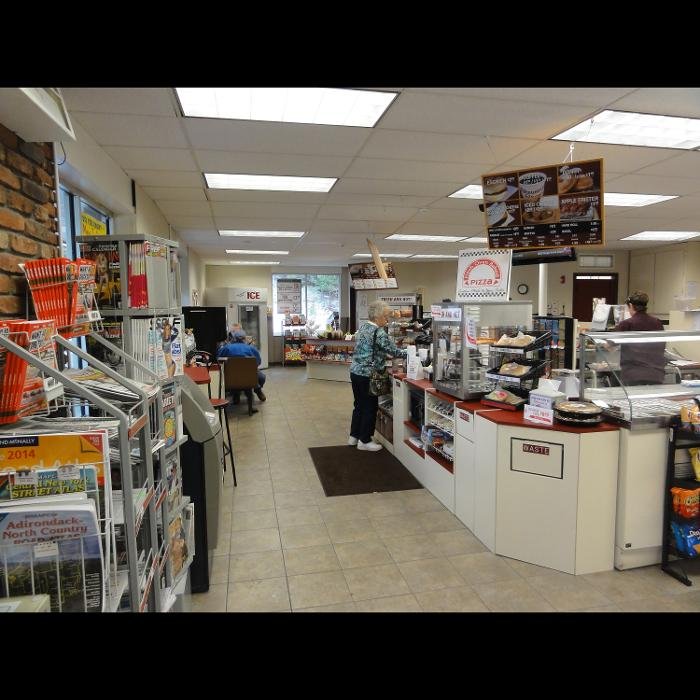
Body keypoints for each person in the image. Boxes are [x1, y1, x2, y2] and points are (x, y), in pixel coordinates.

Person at [349, 300, 408, 451]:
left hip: (355, 371)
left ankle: (354, 436)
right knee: (370, 407)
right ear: (377, 316)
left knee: (359, 405)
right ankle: (365, 440)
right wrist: (410, 353)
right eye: (385, 316)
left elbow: (369, 349)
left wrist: (381, 355)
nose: (387, 319)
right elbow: (394, 351)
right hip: (369, 375)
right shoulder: (379, 332)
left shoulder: (363, 327)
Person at [611, 291, 665, 385]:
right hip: (656, 374)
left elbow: (609, 345)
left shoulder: (626, 324)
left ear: (631, 306)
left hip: (633, 376)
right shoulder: (657, 322)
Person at [218, 330, 267, 402]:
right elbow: (258, 362)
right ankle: (258, 390)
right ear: (244, 338)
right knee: (261, 377)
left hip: (230, 378)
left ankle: (235, 393)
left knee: (229, 376)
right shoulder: (251, 348)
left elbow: (218, 359)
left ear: (234, 338)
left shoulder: (226, 348)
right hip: (249, 378)